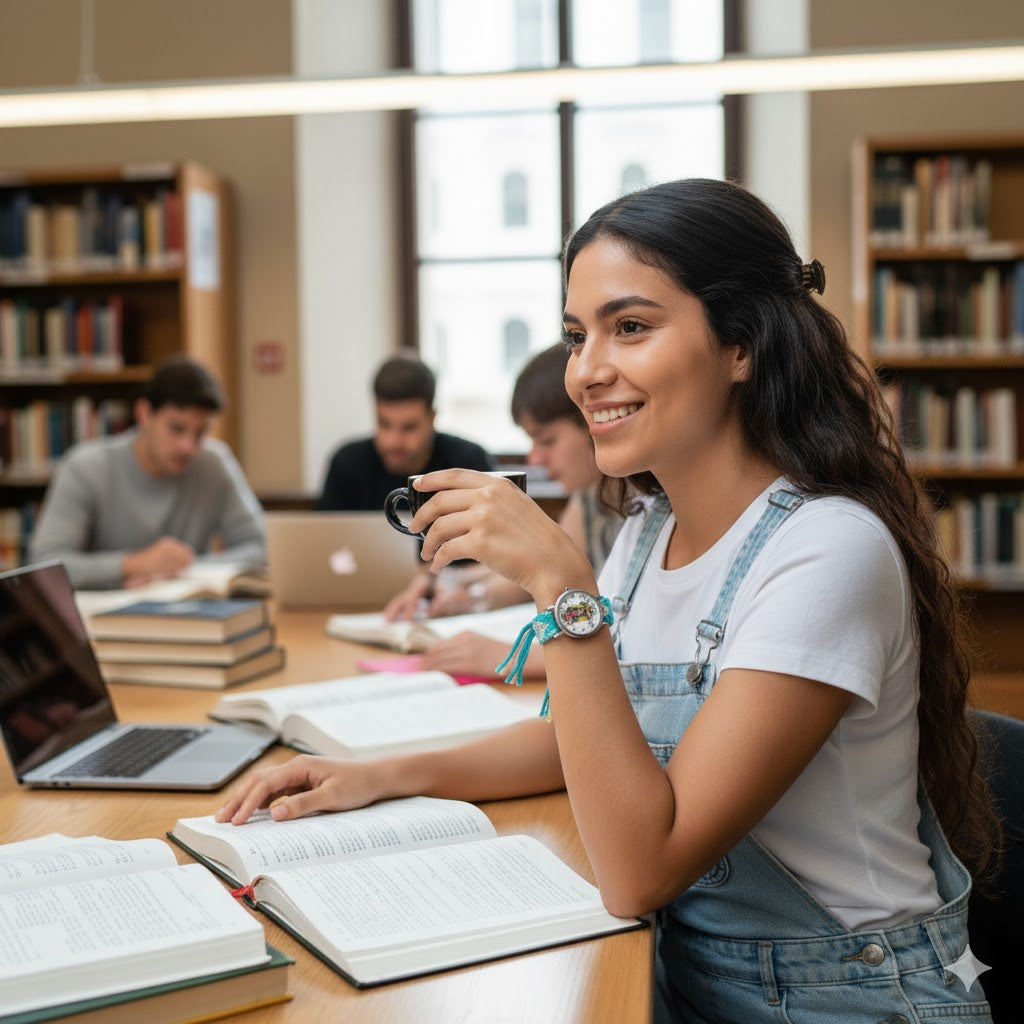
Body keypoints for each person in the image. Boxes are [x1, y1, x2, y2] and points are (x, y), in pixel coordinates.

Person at [216, 179, 1002, 1023]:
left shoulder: (826, 549)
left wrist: (563, 587)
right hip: (695, 976)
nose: (587, 371)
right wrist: (376, 778)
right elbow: (583, 745)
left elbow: (640, 867)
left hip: (844, 999)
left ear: (741, 345)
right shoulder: (646, 532)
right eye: (575, 335)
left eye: (630, 327)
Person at [385, 342, 625, 682]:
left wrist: (510, 656)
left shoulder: (647, 509)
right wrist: (444, 583)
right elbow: (531, 573)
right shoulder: (591, 496)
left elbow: (630, 646)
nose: (534, 458)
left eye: (547, 440)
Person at [30, 355, 265, 590]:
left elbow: (262, 547)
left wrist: (187, 568)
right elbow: (44, 566)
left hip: (189, 617)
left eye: (201, 433)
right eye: (176, 428)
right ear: (144, 414)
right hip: (102, 619)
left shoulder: (214, 463)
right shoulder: (84, 466)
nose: (188, 446)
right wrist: (134, 564)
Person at [316, 350, 494, 511]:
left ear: (432, 418)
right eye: (384, 424)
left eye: (409, 427)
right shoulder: (347, 464)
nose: (394, 441)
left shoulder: (468, 464)